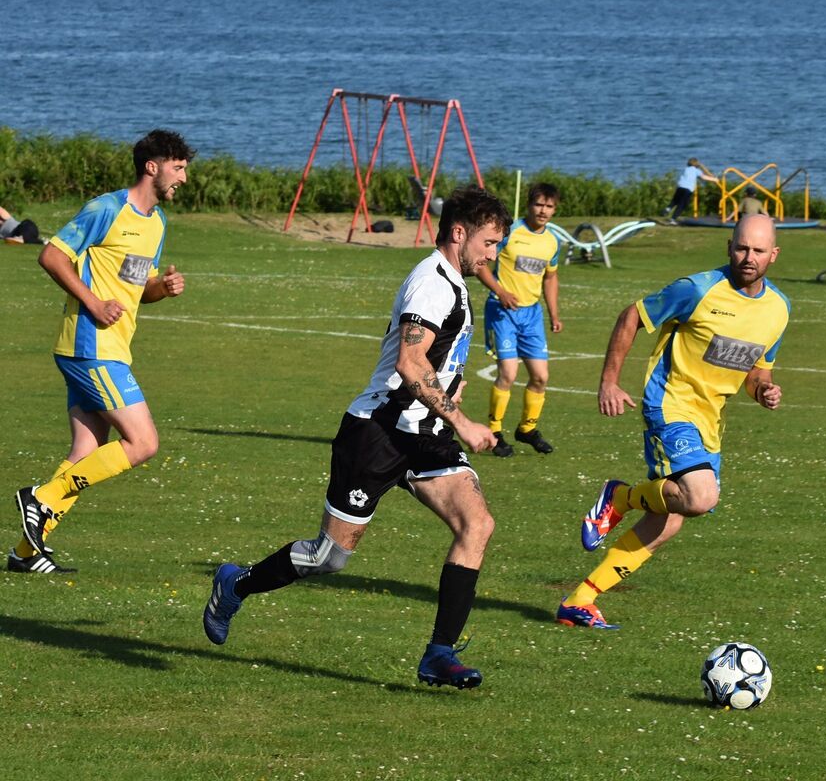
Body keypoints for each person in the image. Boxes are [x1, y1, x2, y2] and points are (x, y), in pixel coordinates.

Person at [203, 186, 511, 689]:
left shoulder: (456, 282)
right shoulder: (432, 282)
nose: (493, 254)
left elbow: (430, 364)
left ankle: (439, 654)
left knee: (477, 525)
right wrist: (463, 420)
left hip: (422, 434)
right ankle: (236, 583)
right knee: (331, 556)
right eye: (490, 242)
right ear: (460, 233)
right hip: (378, 432)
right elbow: (409, 363)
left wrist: (452, 387)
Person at [555, 214, 789, 629]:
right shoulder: (698, 289)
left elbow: (757, 370)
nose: (747, 257)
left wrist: (763, 390)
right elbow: (632, 316)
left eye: (757, 250)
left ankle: (580, 599)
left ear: (773, 254)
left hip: (709, 420)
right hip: (670, 405)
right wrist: (609, 382)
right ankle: (620, 497)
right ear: (729, 247)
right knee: (700, 496)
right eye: (741, 247)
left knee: (670, 521)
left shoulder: (778, 310)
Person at [10, 130, 194, 574]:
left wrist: (161, 289)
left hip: (113, 347)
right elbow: (52, 255)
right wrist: (92, 302)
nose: (184, 179)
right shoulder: (106, 209)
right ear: (153, 166)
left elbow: (136, 286)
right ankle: (42, 498)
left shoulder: (156, 223)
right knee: (144, 442)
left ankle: (24, 554)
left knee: (87, 451)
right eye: (179, 168)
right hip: (90, 346)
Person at [477, 182, 563, 456]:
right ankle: (494, 430)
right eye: (539, 204)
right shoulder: (510, 233)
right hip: (503, 312)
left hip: (532, 315)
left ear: (555, 209)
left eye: (549, 206)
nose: (543, 210)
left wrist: (554, 313)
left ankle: (527, 429)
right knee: (509, 373)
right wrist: (500, 291)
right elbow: (481, 265)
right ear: (529, 204)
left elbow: (550, 277)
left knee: (540, 376)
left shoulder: (552, 241)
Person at [663, 158, 716, 222]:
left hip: (680, 187)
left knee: (675, 200)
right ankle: (673, 219)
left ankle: (668, 208)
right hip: (687, 189)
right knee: (682, 204)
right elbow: (703, 177)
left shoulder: (686, 169)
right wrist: (714, 179)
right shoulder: (696, 170)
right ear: (696, 164)